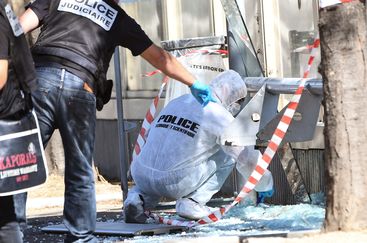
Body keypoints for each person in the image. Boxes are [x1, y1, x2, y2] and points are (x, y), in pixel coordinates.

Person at [18, 0, 215, 242]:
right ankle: (81, 237)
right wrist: (193, 82)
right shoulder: (118, 18)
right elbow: (159, 57)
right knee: (80, 169)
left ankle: (9, 231)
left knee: (19, 162)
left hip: (40, 82)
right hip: (81, 87)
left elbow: (18, 27)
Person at [124, 70, 274, 222]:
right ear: (230, 95)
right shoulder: (219, 114)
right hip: (176, 182)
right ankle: (192, 203)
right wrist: (264, 183)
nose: (237, 107)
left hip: (141, 173)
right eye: (239, 102)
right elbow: (246, 157)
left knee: (157, 168)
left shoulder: (179, 101)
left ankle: (137, 199)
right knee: (228, 148)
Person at [0, 1, 37, 242]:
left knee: (5, 218)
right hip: (10, 110)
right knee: (5, 215)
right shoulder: (5, 11)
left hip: (4, 114)